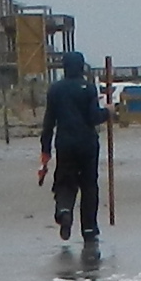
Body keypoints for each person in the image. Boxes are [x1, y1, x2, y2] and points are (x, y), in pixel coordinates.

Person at [38, 49, 110, 248]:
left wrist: (45, 150)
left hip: (65, 143)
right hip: (87, 143)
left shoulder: (55, 89)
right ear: (81, 67)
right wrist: (108, 112)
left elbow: (48, 123)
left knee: (65, 181)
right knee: (89, 185)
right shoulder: (88, 88)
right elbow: (94, 117)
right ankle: (89, 229)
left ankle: (64, 210)